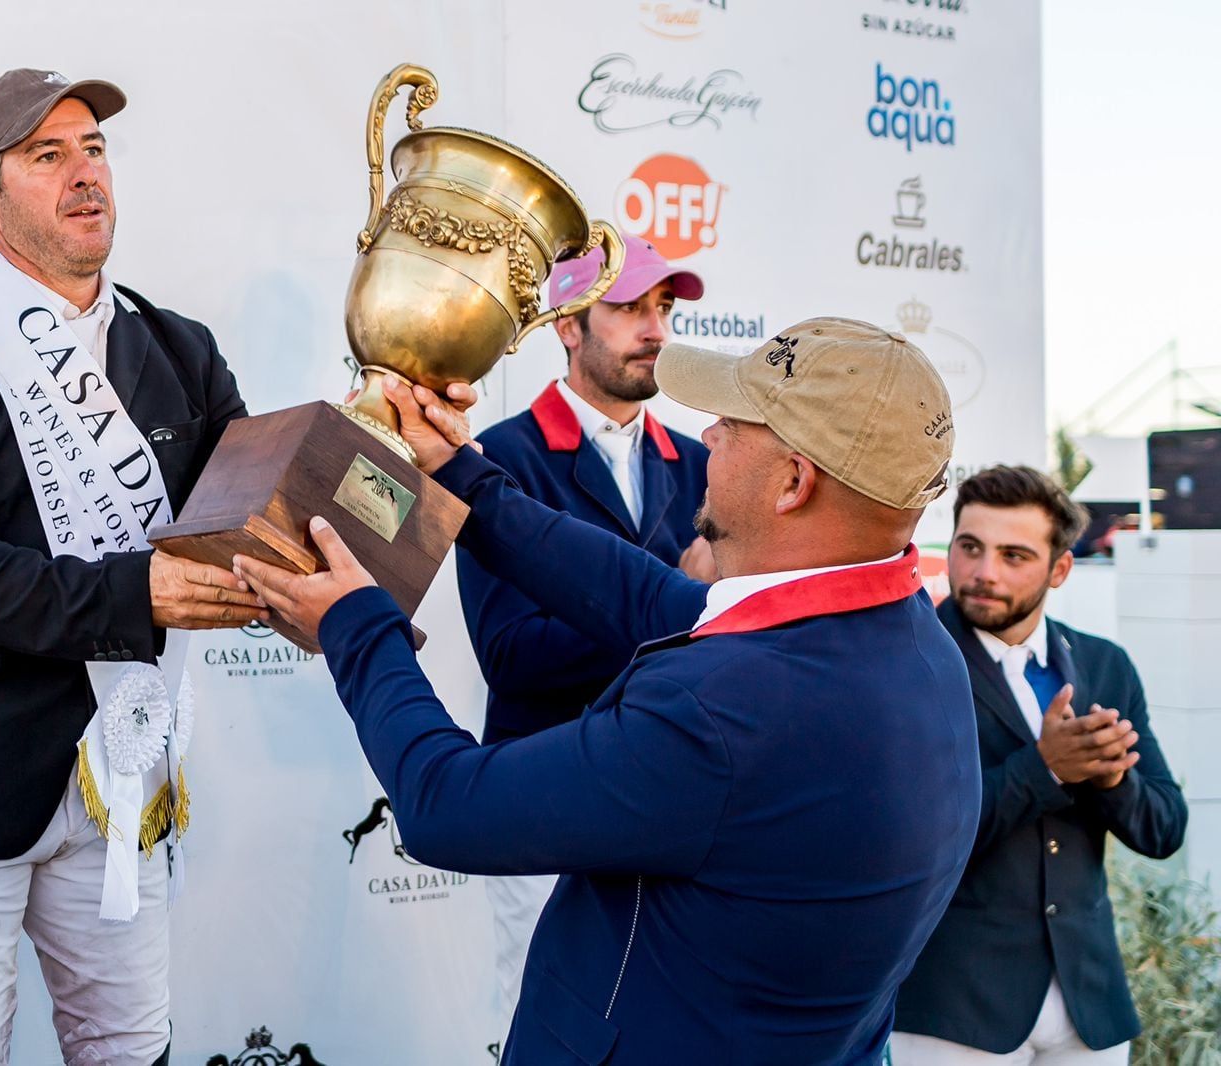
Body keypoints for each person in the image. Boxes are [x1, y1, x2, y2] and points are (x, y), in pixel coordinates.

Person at [236, 318, 981, 1064]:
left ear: (794, 482)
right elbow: (646, 594)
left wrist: (357, 625)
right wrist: (466, 478)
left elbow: (442, 805)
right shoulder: (913, 640)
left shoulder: (723, 713)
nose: (710, 437)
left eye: (733, 422)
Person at [0, 68, 266, 1066]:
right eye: (46, 154)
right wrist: (136, 594)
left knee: (130, 1047)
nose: (84, 174)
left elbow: (252, 510)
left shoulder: (179, 346)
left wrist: (380, 448)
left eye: (95, 149)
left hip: (118, 766)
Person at [456, 233, 710, 1035]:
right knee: (548, 1029)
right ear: (568, 324)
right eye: (630, 307)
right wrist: (671, 601)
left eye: (663, 307)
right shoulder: (497, 458)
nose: (655, 329)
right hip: (547, 793)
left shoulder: (702, 463)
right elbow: (509, 655)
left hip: (674, 793)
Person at [892, 465, 1188, 1065]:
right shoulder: (907, 660)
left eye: (1014, 555)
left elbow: (1164, 829)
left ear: (1059, 569)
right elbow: (910, 840)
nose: (984, 572)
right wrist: (1046, 768)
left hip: (1090, 1006)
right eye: (970, 547)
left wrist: (1111, 779)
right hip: (954, 1007)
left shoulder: (1105, 665)